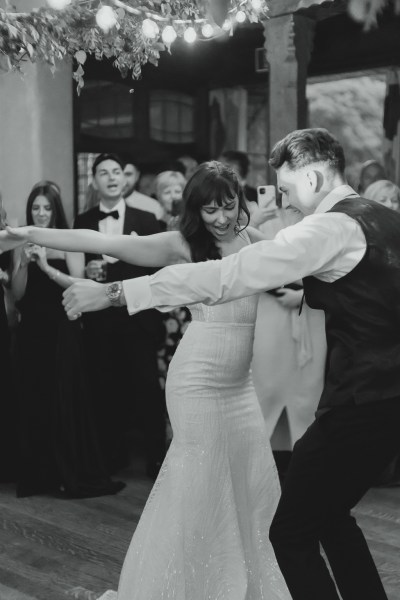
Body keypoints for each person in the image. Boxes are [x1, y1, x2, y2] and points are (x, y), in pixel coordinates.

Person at [47, 128, 400, 600]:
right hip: (379, 398)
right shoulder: (385, 219)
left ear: (314, 179)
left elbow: (230, 274)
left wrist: (115, 293)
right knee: (328, 515)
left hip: (356, 401)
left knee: (291, 529)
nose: (285, 200)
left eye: (289, 190)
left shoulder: (330, 227)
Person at [1, 161, 292, 600]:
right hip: (198, 382)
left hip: (241, 386)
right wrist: (27, 234)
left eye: (228, 207)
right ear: (196, 209)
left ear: (240, 202)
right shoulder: (182, 243)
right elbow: (101, 241)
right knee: (199, 489)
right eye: (209, 209)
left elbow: (297, 263)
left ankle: (245, 585)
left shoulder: (252, 241)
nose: (219, 218)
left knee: (251, 484)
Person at [11, 182, 123, 498]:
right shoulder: (22, 242)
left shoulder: (69, 240)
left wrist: (46, 267)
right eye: (36, 208)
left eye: (47, 208)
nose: (41, 213)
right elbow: (18, 294)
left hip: (62, 327)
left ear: (55, 210)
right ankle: (38, 473)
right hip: (32, 330)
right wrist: (23, 262)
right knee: (35, 398)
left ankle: (66, 470)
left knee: (63, 396)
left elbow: (80, 282)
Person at [74, 153, 166, 478]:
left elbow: (158, 270)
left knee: (146, 388)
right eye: (103, 172)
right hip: (101, 320)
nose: (112, 177)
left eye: (116, 172)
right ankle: (112, 455)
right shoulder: (82, 221)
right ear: (94, 180)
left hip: (138, 316)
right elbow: (77, 271)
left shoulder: (147, 219)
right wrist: (87, 270)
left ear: (125, 179)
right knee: (105, 386)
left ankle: (157, 458)